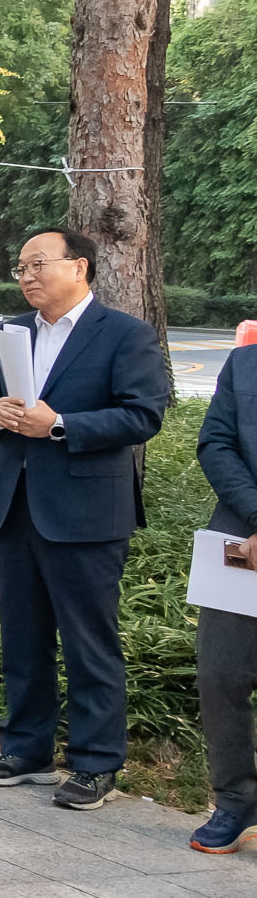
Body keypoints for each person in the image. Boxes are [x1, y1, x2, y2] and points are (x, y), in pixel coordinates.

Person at [0, 229, 168, 809]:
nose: (27, 276)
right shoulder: (14, 332)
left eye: (38, 264)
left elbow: (142, 415)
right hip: (18, 502)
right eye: (21, 268)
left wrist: (60, 425)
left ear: (79, 267)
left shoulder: (125, 335)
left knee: (88, 641)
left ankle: (95, 763)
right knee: (23, 636)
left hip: (87, 511)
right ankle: (26, 750)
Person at [191, 340, 257, 854]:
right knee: (220, 674)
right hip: (241, 538)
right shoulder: (244, 363)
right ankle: (235, 799)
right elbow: (216, 442)